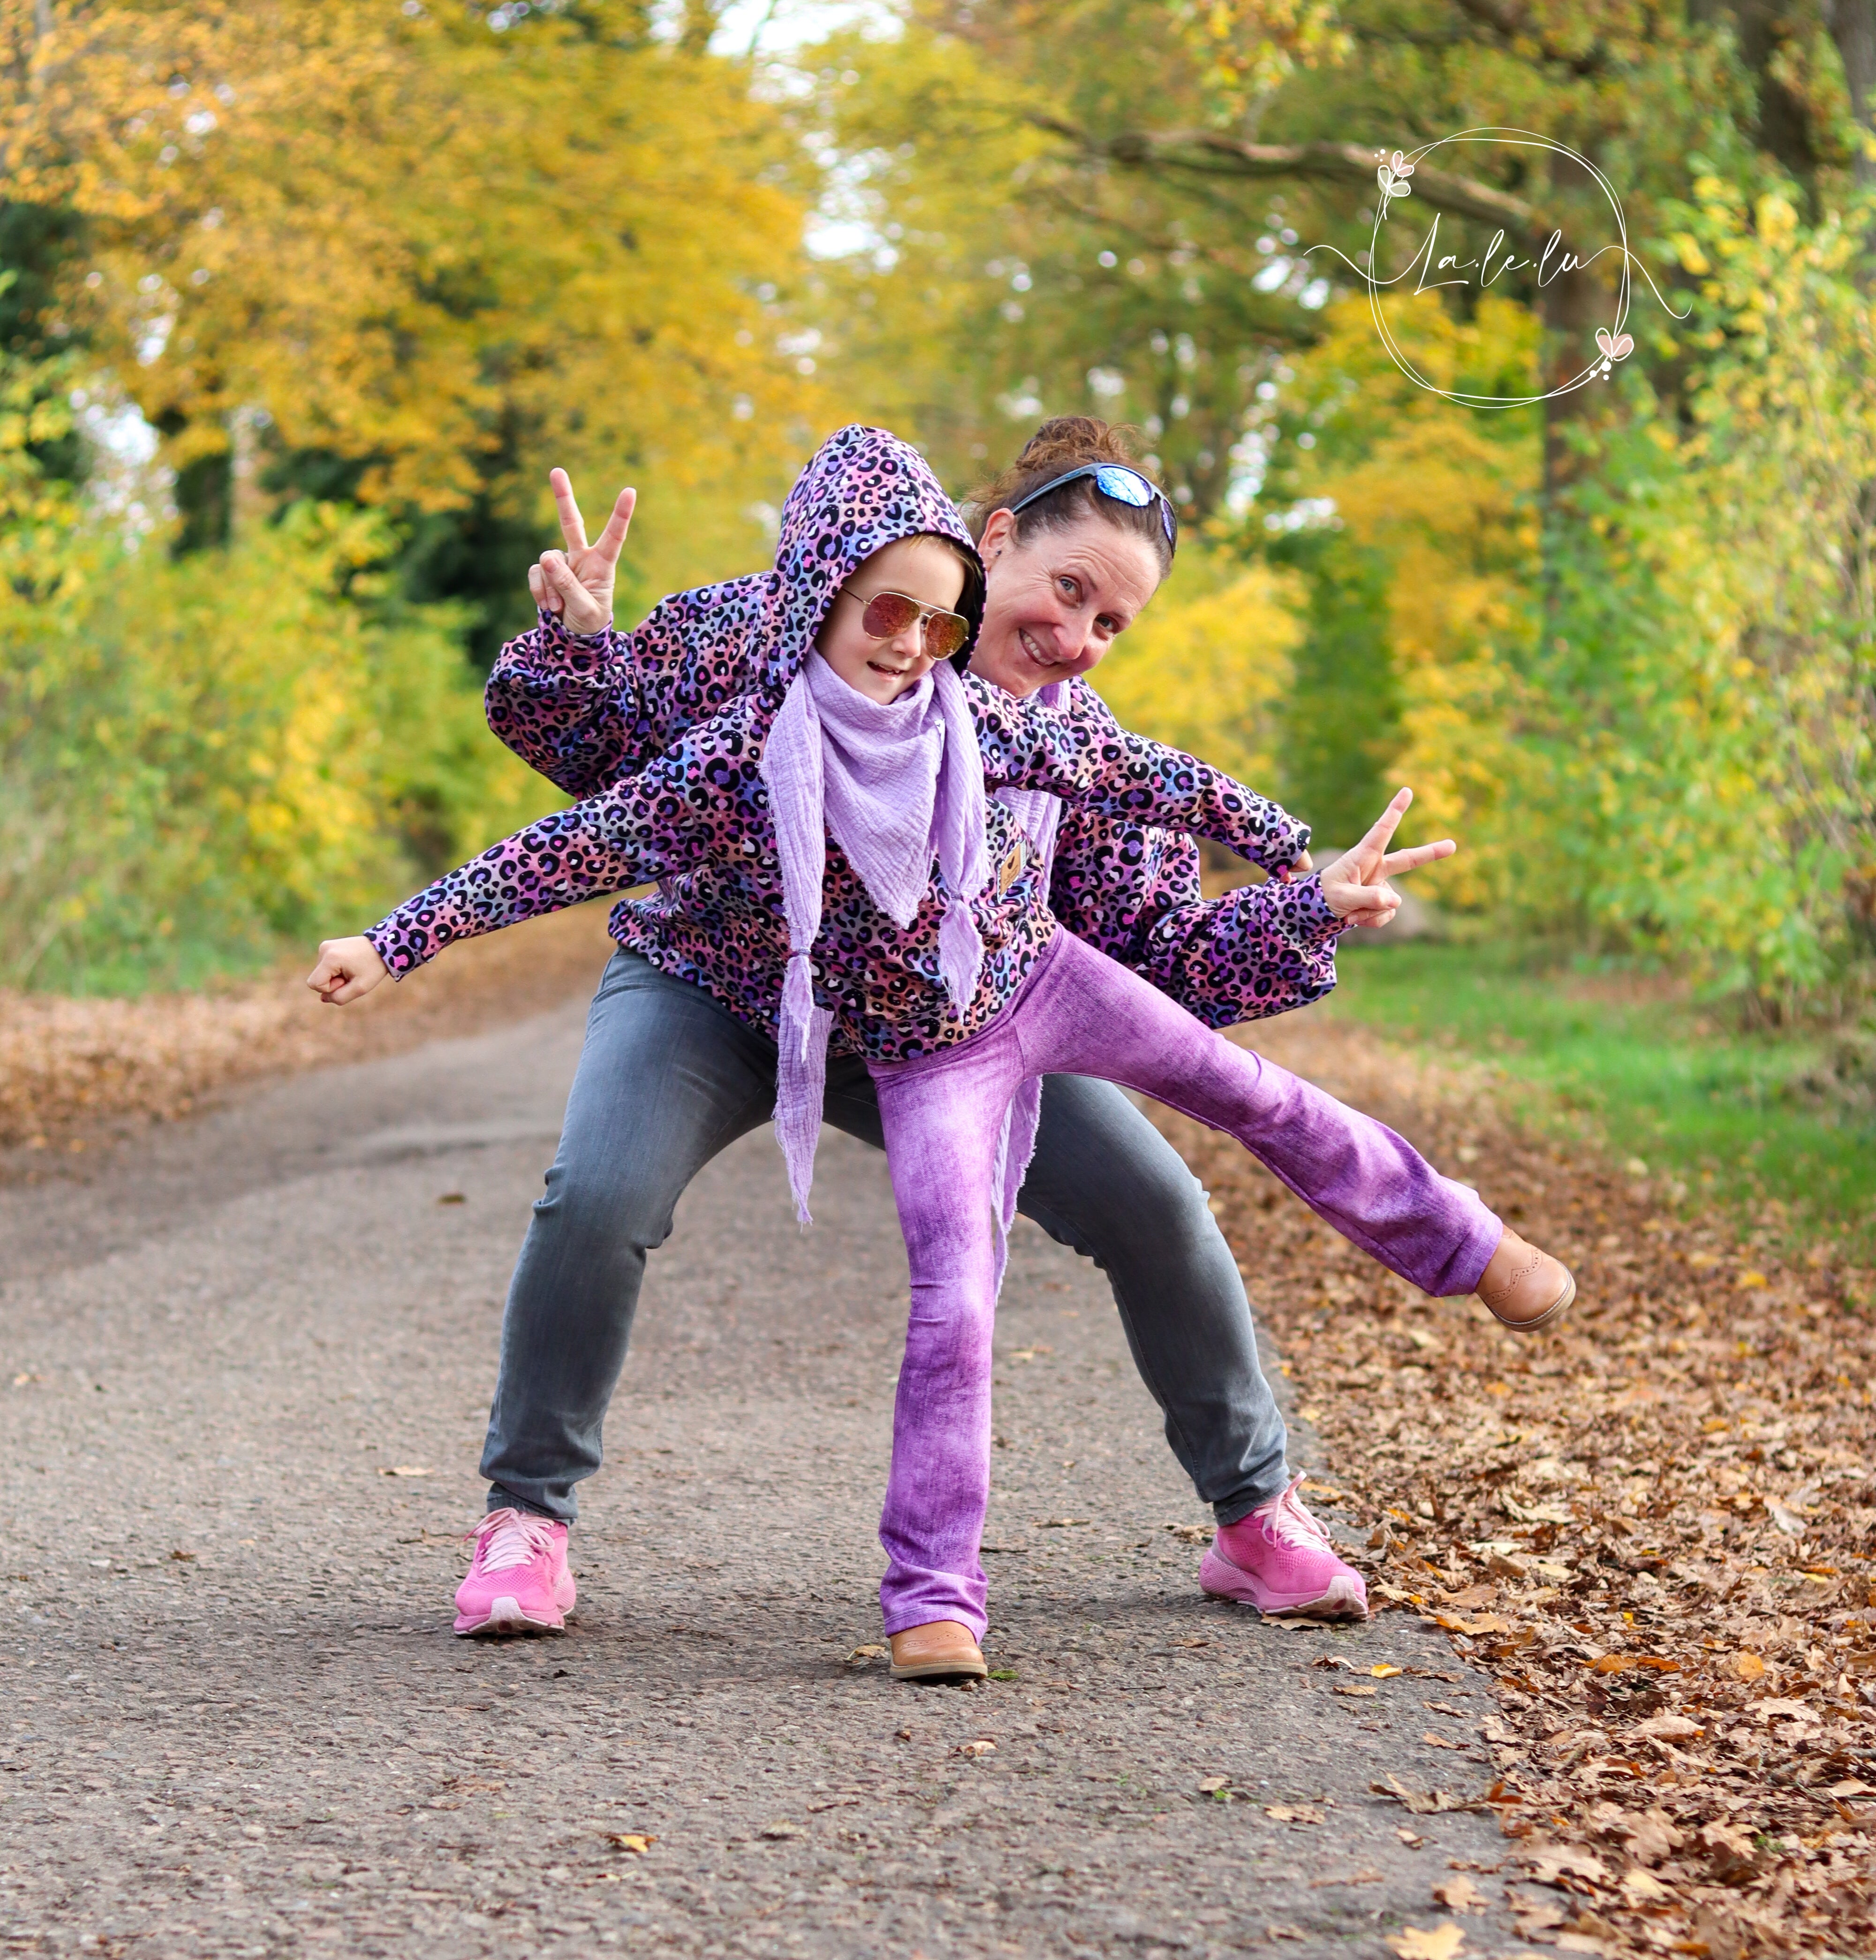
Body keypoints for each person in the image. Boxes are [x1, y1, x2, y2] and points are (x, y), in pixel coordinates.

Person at [310, 428, 1572, 1676]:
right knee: (598, 1196)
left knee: (1157, 1208)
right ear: (998, 540)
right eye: (1068, 590)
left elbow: (1157, 958)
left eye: (1113, 623)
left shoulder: (1063, 738)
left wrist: (1308, 896)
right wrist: (576, 649)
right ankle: (527, 1520)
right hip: (720, 989)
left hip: (950, 1030)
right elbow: (605, 789)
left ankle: (1253, 1517)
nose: (1077, 636)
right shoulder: (773, 623)